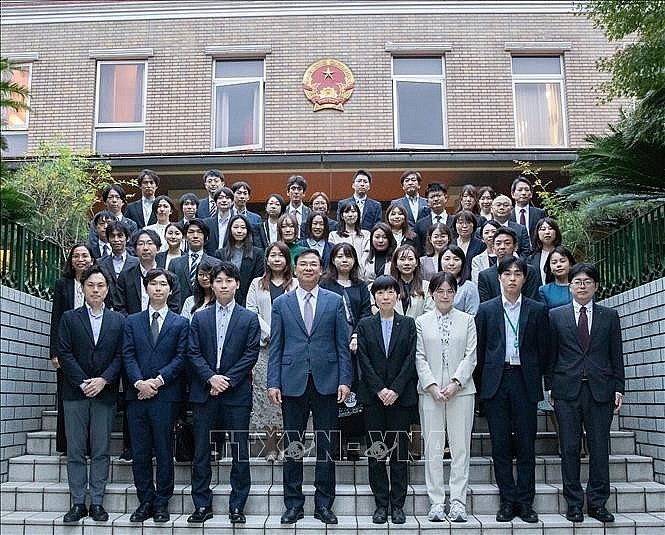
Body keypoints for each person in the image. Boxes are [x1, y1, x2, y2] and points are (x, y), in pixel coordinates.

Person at [267, 249, 352, 525]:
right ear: (295, 268)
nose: (307, 268)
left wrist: (345, 380)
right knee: (293, 446)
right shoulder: (281, 303)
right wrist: (273, 382)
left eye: (313, 264)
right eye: (302, 264)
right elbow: (276, 346)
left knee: (326, 446)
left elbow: (342, 345)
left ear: (320, 269)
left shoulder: (335, 301)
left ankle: (324, 504)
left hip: (327, 381)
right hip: (292, 382)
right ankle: (293, 504)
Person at [546, 263, 624, 524]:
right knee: (569, 448)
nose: (582, 285)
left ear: (596, 286)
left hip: (600, 390)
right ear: (570, 286)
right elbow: (551, 354)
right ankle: (574, 503)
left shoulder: (609, 316)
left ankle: (598, 502)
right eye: (577, 281)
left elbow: (616, 355)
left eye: (587, 281)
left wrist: (619, 388)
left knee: (600, 447)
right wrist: (550, 387)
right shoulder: (556, 315)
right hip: (566, 390)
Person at [475, 257, 549, 524]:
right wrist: (481, 388)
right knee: (501, 443)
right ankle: (507, 501)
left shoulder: (537, 310)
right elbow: (480, 350)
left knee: (527, 444)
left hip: (525, 380)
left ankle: (525, 502)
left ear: (525, 279)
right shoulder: (486, 310)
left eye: (518, 274)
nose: (513, 278)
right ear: (500, 278)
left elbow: (545, 349)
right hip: (496, 381)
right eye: (508, 274)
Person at [187, 262, 261, 524]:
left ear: (237, 284)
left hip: (236, 393)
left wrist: (226, 380)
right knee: (202, 451)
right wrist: (211, 377)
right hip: (204, 392)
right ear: (211, 284)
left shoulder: (249, 318)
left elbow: (251, 354)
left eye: (229, 281)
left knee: (239, 450)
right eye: (218, 281)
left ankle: (237, 505)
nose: (223, 285)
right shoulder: (200, 317)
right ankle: (202, 505)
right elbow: (192, 352)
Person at [58, 265, 124, 523]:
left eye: (100, 286)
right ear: (82, 288)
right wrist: (83, 381)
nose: (95, 290)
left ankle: (97, 501)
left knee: (100, 449)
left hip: (104, 393)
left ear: (107, 289)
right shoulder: (69, 318)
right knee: (75, 450)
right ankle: (77, 502)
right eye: (90, 286)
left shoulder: (118, 320)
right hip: (75, 393)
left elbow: (120, 355)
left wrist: (104, 380)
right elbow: (64, 352)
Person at [123, 268, 188, 524]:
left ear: (170, 290)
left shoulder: (180, 323)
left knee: (163, 450)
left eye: (163, 284)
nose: (158, 288)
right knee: (140, 452)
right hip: (136, 395)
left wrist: (158, 381)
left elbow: (181, 357)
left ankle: (162, 502)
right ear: (146, 288)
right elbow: (127, 355)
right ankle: (145, 501)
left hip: (165, 395)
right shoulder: (132, 321)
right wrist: (140, 382)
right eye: (153, 284)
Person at [415, 272, 477, 523]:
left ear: (456, 293)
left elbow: (471, 355)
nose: (444, 295)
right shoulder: (421, 321)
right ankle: (437, 502)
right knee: (433, 447)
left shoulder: (468, 320)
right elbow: (419, 356)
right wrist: (430, 384)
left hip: (461, 392)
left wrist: (455, 383)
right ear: (432, 293)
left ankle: (459, 502)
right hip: (430, 393)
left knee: (460, 447)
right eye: (439, 291)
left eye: (449, 291)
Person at [356, 275, 417, 525]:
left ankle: (398, 505)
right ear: (374, 297)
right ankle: (381, 504)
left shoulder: (409, 324)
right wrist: (380, 389)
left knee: (399, 453)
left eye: (390, 292)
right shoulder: (365, 325)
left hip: (400, 399)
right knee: (377, 453)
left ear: (398, 295)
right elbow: (364, 361)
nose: (385, 297)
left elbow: (410, 360)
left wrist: (395, 390)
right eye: (380, 293)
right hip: (373, 398)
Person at [246, 242, 298, 461]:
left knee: (290, 396)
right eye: (272, 255)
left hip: (291, 348)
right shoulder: (257, 284)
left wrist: (283, 334)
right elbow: (251, 311)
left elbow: (298, 311)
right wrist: (270, 332)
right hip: (265, 347)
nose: (276, 259)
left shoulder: (295, 283)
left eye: (281, 255)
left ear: (287, 260)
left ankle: (289, 445)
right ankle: (270, 446)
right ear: (266, 259)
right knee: (268, 397)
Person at [320, 242, 372, 460]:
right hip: (332, 345)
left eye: (348, 256)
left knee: (355, 395)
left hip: (355, 346)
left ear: (354, 260)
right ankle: (336, 443)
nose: (344, 260)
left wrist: (356, 335)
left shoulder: (360, 286)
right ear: (332, 259)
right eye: (339, 256)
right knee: (334, 394)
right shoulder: (325, 284)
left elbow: (366, 313)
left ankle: (352, 444)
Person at [49, 243, 95, 456]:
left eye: (85, 255)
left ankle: (87, 444)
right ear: (71, 260)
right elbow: (56, 318)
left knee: (89, 396)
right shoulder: (63, 284)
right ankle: (65, 444)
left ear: (92, 259)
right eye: (76, 256)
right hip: (67, 346)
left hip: (90, 345)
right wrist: (55, 352)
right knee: (66, 395)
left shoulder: (98, 283)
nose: (80, 259)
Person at [113, 229, 181, 316]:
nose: (145, 248)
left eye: (150, 243)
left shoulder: (169, 277)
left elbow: (174, 307)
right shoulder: (125, 276)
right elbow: (119, 307)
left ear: (158, 248)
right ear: (135, 249)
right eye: (141, 244)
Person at [167, 219, 219, 311]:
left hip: (208, 311)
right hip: (179, 312)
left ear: (206, 237)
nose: (195, 236)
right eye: (191, 232)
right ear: (185, 237)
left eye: (199, 232)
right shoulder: (174, 263)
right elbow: (170, 292)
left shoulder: (216, 263)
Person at [477, 227, 539, 302]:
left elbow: (531, 301)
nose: (502, 247)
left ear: (515, 247)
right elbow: (486, 305)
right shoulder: (485, 276)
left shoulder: (529, 271)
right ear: (493, 248)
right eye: (498, 244)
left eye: (507, 243)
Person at [215, 214, 264, 307]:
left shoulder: (257, 253)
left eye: (243, 227)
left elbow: (257, 280)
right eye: (235, 227)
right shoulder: (220, 254)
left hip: (250, 300)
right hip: (225, 300)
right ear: (230, 230)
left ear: (248, 230)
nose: (239, 231)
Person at [87, 184, 138, 254]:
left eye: (117, 197)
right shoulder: (97, 221)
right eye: (110, 197)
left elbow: (133, 248)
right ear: (105, 202)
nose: (114, 200)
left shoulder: (131, 224)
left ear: (123, 201)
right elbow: (93, 244)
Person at [388, 244, 434, 318]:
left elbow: (429, 314)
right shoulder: (389, 286)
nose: (407, 263)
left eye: (410, 259)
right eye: (402, 259)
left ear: (416, 263)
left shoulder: (426, 286)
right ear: (396, 263)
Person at [439, 245, 480, 316]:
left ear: (462, 263)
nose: (451, 263)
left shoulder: (469, 287)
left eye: (456, 259)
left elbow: (472, 315)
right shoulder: (434, 284)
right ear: (440, 261)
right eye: (447, 259)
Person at [414, 182, 453, 255]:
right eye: (432, 197)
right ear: (427, 202)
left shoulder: (455, 221)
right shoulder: (420, 224)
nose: (435, 199)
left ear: (446, 198)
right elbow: (418, 249)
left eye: (438, 196)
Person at [329, 201, 370, 270]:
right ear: (342, 216)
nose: (350, 215)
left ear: (358, 215)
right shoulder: (333, 235)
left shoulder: (366, 234)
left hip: (362, 273)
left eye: (353, 211)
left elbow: (367, 255)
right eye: (346, 212)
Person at [509, 175, 546, 241]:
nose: (523, 193)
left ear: (531, 194)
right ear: (512, 194)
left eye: (527, 190)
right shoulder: (508, 214)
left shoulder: (540, 213)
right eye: (520, 190)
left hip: (535, 250)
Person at [452, 209, 486, 279]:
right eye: (460, 223)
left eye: (468, 222)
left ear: (474, 225)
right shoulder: (450, 244)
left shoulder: (481, 245)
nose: (464, 226)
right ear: (455, 225)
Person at [528, 217, 563, 285]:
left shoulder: (564, 254)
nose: (547, 232)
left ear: (556, 232)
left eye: (550, 228)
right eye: (543, 229)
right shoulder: (531, 258)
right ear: (537, 233)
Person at [230, 180, 264, 246]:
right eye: (239, 193)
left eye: (245, 193)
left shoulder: (256, 218)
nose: (242, 196)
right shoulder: (227, 215)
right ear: (232, 195)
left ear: (248, 197)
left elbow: (258, 241)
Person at [202, 186, 234, 255]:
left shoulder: (236, 223)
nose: (224, 200)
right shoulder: (206, 223)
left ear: (232, 202)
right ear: (215, 202)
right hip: (211, 261)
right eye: (220, 198)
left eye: (227, 198)